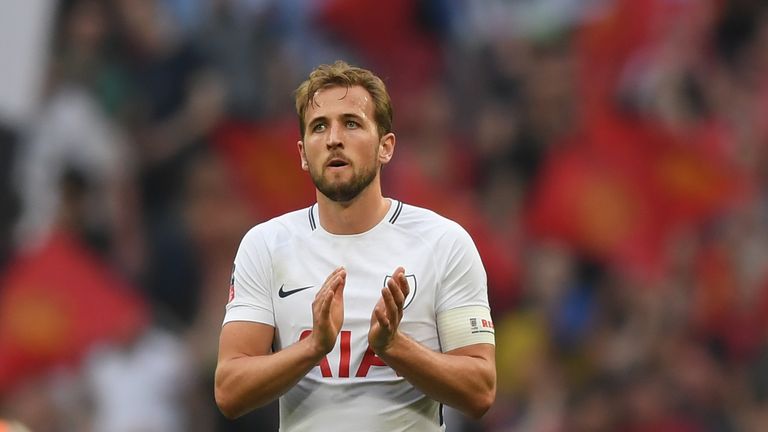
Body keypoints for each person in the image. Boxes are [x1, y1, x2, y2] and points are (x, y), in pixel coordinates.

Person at [214, 60, 496, 431]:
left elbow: (480, 391)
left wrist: (395, 347)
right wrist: (313, 346)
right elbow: (229, 391)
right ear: (302, 153)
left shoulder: (444, 242)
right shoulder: (266, 245)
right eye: (319, 127)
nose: (333, 138)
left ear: (386, 147)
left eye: (351, 123)